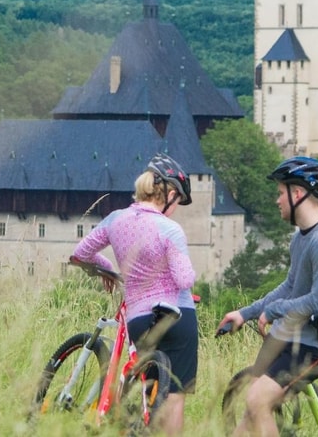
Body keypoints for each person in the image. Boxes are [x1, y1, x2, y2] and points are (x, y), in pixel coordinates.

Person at [216, 157, 318, 437]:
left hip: (317, 345)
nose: (276, 200)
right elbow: (289, 287)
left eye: (280, 192)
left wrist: (277, 310)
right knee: (254, 408)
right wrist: (246, 313)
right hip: (295, 339)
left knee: (257, 400)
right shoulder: (302, 238)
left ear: (297, 194)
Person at [71, 153, 198, 435]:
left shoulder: (116, 220)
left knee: (149, 388)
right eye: (178, 202)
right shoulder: (169, 229)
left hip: (139, 318)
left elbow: (80, 254)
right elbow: (184, 278)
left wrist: (107, 270)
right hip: (179, 315)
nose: (176, 208)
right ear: (170, 193)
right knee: (174, 397)